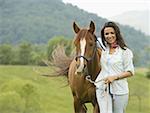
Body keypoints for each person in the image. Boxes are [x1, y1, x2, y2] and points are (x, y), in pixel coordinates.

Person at [95, 21, 134, 113]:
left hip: (119, 91)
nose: (109, 36)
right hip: (103, 89)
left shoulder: (125, 51)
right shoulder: (104, 50)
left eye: (112, 33)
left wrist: (114, 77)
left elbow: (130, 72)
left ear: (117, 33)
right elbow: (91, 40)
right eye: (106, 34)